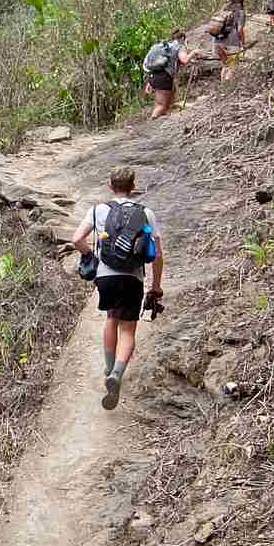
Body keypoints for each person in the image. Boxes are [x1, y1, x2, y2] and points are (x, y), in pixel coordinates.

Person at [71, 166, 165, 411]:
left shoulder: (98, 210)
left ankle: (108, 369)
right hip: (132, 277)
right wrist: (155, 287)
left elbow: (76, 240)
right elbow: (157, 255)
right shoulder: (146, 213)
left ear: (109, 186)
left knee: (111, 318)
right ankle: (117, 374)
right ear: (133, 187)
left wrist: (91, 256)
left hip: (105, 277)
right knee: (128, 330)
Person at [141, 29, 194, 118]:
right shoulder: (179, 46)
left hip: (153, 76)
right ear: (182, 39)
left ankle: (165, 117)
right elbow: (184, 60)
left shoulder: (165, 47)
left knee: (169, 95)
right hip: (164, 78)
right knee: (161, 105)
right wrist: (194, 53)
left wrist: (150, 82)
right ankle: (153, 124)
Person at [210, 0, 247, 81]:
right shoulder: (240, 12)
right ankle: (228, 87)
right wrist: (242, 43)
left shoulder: (222, 10)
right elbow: (239, 30)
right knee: (232, 66)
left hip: (217, 42)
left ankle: (223, 87)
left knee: (225, 65)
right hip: (232, 43)